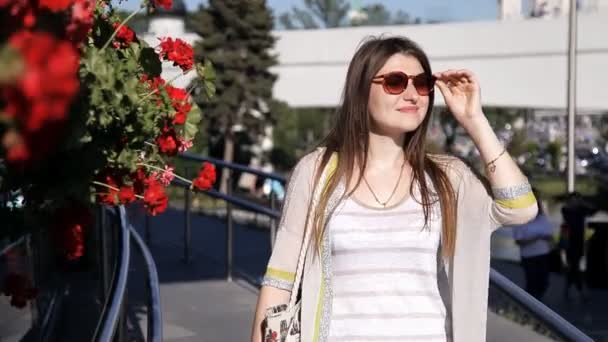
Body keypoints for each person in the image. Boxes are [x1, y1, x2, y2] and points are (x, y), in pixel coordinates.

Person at [250, 36, 538, 342]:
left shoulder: (447, 177)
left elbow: (520, 209)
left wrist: (474, 120)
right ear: (362, 90)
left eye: (422, 83)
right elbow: (279, 279)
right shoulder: (317, 172)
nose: (413, 94)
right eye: (396, 82)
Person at [512, 190, 554, 300]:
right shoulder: (520, 219)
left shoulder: (542, 218)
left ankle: (537, 304)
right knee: (532, 284)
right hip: (529, 256)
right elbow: (519, 242)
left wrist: (549, 240)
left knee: (544, 283)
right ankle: (530, 307)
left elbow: (550, 236)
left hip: (543, 255)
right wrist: (536, 238)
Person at [560, 191, 597, 300]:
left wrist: (583, 203)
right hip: (569, 242)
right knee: (575, 266)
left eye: (577, 199)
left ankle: (567, 288)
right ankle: (580, 291)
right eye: (574, 199)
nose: (575, 201)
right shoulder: (566, 209)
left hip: (579, 242)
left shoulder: (581, 209)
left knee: (574, 266)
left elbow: (594, 210)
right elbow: (568, 210)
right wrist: (578, 204)